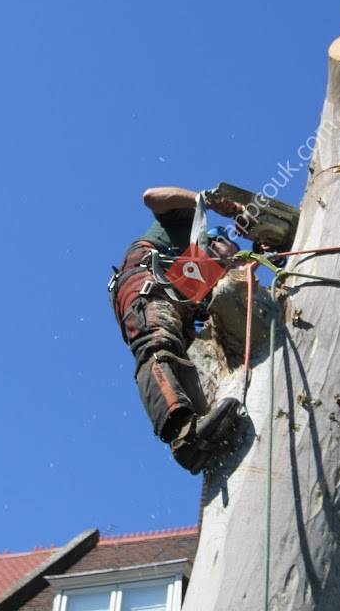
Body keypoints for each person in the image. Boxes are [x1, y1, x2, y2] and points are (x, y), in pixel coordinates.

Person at [109, 186, 244, 474]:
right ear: (214, 240)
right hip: (148, 283)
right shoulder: (188, 226)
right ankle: (183, 436)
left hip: (179, 312)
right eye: (229, 252)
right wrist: (204, 201)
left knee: (192, 370)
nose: (231, 260)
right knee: (159, 343)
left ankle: (203, 433)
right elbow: (150, 196)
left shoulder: (207, 283)